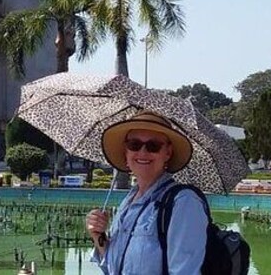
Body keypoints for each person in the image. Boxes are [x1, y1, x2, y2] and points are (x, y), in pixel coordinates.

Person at [85, 111, 207, 275]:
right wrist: (98, 236)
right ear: (126, 152)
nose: (142, 152)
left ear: (168, 153)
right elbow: (114, 268)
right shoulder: (128, 201)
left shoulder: (183, 202)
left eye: (153, 146)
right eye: (134, 145)